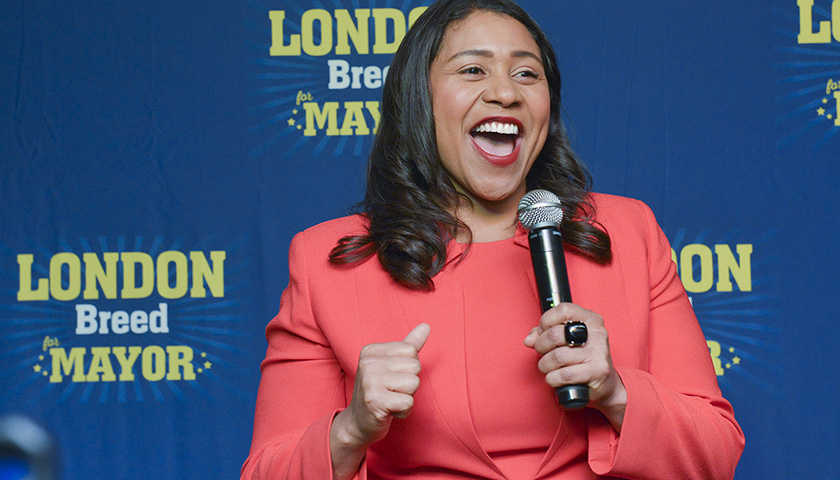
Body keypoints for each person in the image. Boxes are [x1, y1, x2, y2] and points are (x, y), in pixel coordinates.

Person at [241, 0, 745, 478]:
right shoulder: (327, 263)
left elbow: (716, 454)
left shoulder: (627, 234)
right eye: (473, 70)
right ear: (419, 99)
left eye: (526, 73)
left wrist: (616, 393)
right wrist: (350, 430)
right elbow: (267, 471)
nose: (506, 91)